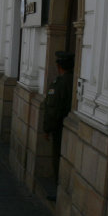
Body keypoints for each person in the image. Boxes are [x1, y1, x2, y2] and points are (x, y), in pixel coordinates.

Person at [43, 51, 74, 182]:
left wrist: (47, 129)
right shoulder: (74, 80)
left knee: (57, 157)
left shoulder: (59, 83)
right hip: (68, 124)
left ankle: (57, 186)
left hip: (59, 126)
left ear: (59, 66)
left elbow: (52, 108)